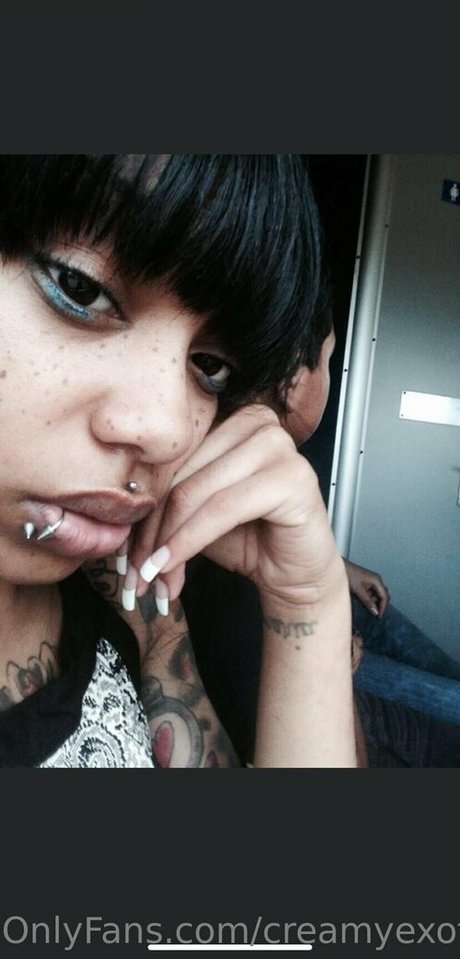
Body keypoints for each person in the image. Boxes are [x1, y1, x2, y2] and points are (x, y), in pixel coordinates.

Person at [0, 154, 356, 768]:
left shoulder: (127, 597)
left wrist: (308, 602)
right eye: (79, 287)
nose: (168, 432)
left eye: (210, 366)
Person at [182, 315, 460, 766]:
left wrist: (339, 568)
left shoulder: (267, 464)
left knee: (443, 675)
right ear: (293, 382)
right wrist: (331, 662)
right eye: (329, 361)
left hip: (337, 611)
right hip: (316, 663)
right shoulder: (225, 605)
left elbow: (263, 539)